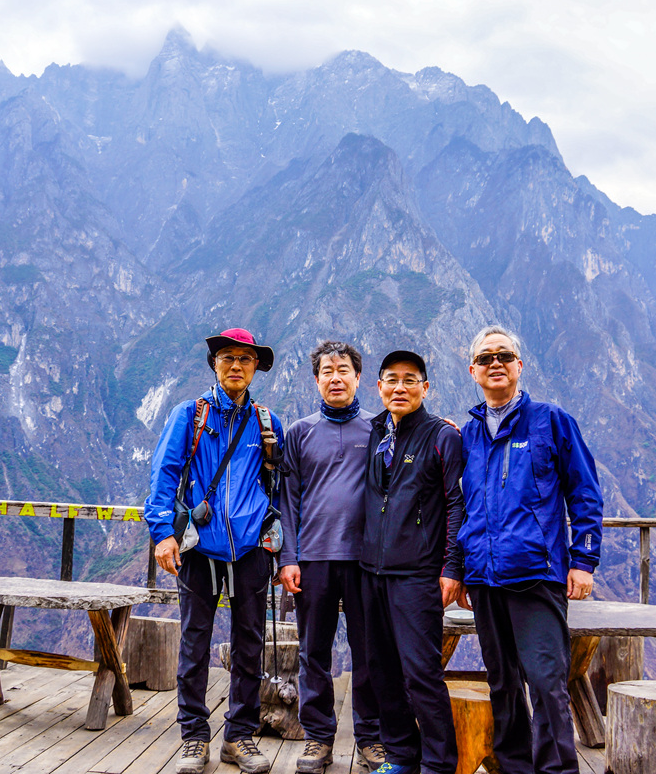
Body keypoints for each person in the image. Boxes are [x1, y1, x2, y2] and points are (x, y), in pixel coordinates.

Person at [458, 325, 604, 774]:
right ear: (473, 371)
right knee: (502, 683)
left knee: (545, 681)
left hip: (536, 574)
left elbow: (584, 492)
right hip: (483, 577)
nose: (495, 363)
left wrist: (584, 560)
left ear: (519, 365)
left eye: (504, 355)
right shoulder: (469, 434)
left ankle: (557, 770)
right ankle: (515, 767)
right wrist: (460, 567)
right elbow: (461, 506)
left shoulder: (551, 421)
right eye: (485, 358)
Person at [144, 327, 286, 774]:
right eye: (228, 357)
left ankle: (239, 737)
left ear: (256, 367)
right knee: (195, 643)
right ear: (215, 364)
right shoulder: (190, 416)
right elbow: (164, 475)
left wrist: (275, 535)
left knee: (249, 645)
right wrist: (162, 533)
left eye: (245, 359)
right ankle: (194, 736)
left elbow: (279, 484)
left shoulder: (267, 423)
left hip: (250, 548)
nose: (236, 366)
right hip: (200, 547)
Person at [279, 341, 384, 773]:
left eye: (344, 370)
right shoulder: (299, 433)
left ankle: (371, 738)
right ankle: (318, 739)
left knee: (370, 652)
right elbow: (288, 501)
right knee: (314, 652)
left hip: (366, 561)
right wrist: (288, 558)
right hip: (313, 558)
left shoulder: (379, 429)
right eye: (327, 371)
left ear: (358, 378)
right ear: (316, 379)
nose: (336, 378)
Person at [360, 350, 465, 774]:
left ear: (426, 387)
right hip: (372, 571)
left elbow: (457, 503)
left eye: (410, 380)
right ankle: (402, 755)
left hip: (418, 574)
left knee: (421, 672)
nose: (399, 387)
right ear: (379, 387)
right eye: (391, 379)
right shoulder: (376, 432)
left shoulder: (442, 436)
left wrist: (452, 567)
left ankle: (438, 764)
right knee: (382, 670)